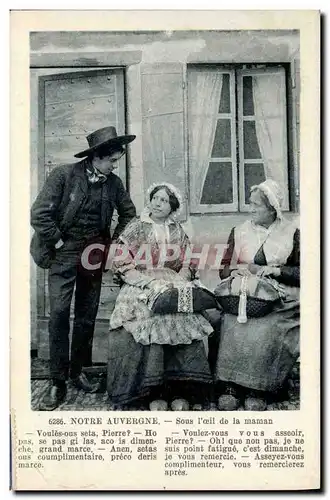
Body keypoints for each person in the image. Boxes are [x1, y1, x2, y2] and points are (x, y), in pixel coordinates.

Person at [31, 126, 137, 410]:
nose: (115, 165)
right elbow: (39, 213)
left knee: (87, 316)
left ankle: (78, 372)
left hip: (94, 254)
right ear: (96, 157)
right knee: (59, 314)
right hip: (63, 254)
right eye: (111, 160)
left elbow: (129, 213)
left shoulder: (113, 183)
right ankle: (56, 381)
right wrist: (59, 240)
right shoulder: (64, 175)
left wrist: (113, 243)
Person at [106, 182, 214, 410]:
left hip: (173, 282)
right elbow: (122, 261)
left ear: (172, 207)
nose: (158, 203)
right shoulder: (137, 227)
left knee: (184, 317)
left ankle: (181, 390)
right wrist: (148, 282)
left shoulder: (177, 230)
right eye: (155, 198)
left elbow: (188, 261)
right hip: (141, 283)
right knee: (148, 317)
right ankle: (151, 391)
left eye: (164, 200)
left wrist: (180, 280)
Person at [215, 179, 300, 411]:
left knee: (267, 326)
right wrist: (236, 270)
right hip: (246, 294)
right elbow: (223, 267)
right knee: (233, 321)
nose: (250, 209)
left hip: (281, 298)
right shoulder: (240, 231)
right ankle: (230, 386)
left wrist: (277, 270)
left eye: (256, 205)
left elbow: (305, 271)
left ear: (272, 208)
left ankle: (259, 388)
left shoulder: (291, 232)